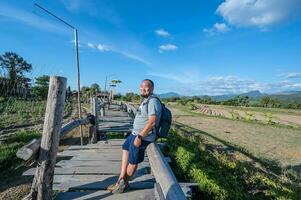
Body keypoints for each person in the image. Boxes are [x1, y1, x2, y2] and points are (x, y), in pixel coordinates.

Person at [107, 79, 162, 193]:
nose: (143, 88)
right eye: (141, 86)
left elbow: (152, 122)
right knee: (125, 147)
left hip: (143, 137)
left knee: (133, 161)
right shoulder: (146, 100)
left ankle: (124, 185)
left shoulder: (153, 101)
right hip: (135, 134)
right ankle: (120, 180)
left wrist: (140, 137)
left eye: (146, 86)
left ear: (152, 88)